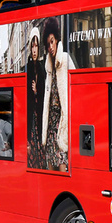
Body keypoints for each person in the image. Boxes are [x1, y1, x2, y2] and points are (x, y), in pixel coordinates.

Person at [42, 17, 74, 172]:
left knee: (62, 159)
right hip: (51, 123)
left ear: (57, 40)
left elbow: (75, 88)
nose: (50, 47)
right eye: (48, 44)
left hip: (62, 120)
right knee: (50, 161)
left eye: (52, 42)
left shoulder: (66, 60)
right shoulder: (48, 68)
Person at [27, 26, 46, 169]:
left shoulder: (41, 68)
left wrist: (36, 92)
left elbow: (43, 96)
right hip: (30, 116)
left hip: (38, 115)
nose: (34, 50)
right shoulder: (27, 68)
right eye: (32, 46)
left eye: (36, 46)